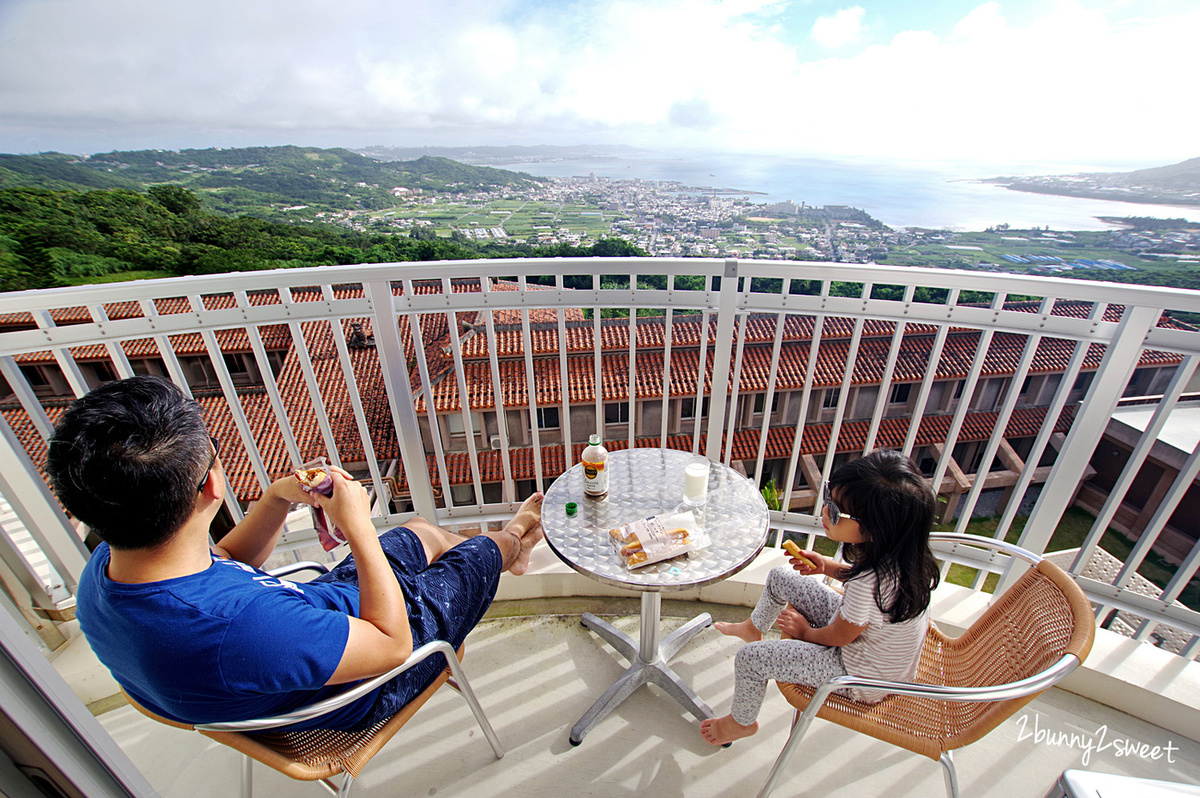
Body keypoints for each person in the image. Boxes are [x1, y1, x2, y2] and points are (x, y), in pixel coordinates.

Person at [46, 375, 544, 731]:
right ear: (212, 487)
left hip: (313, 626)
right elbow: (391, 647)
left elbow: (224, 565)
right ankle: (515, 537)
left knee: (420, 532)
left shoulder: (110, 568)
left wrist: (278, 497)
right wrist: (358, 528)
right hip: (370, 672)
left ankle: (511, 554)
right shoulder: (239, 630)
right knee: (477, 552)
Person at [700, 449, 939, 746]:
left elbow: (840, 637)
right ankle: (754, 628)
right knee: (781, 576)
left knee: (750, 660)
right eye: (828, 500)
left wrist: (804, 632)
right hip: (874, 647)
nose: (824, 513)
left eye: (836, 512)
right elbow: (866, 593)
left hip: (858, 674)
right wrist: (826, 567)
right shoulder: (904, 559)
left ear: (877, 528)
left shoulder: (869, 583)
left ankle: (741, 722)